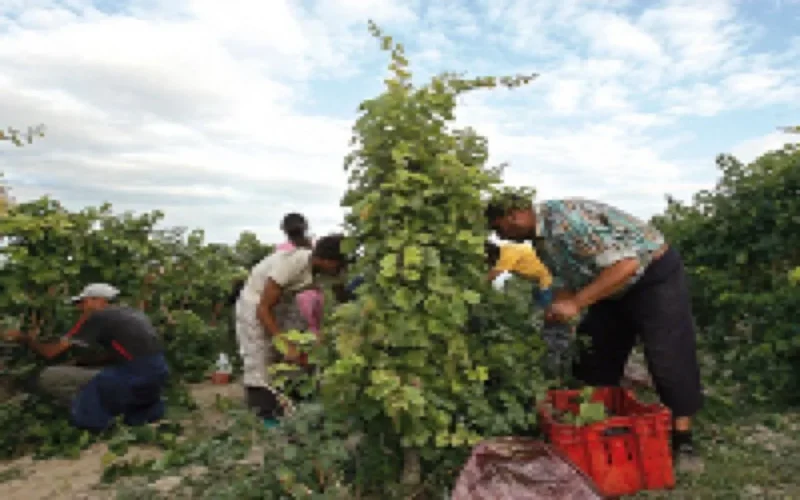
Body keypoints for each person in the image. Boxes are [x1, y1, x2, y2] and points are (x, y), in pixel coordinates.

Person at [486, 196, 704, 471]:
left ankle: (683, 439)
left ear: (514, 215)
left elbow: (627, 265)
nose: (500, 236)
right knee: (593, 356)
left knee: (667, 355)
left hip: (652, 276)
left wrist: (577, 303)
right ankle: (603, 427)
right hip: (609, 284)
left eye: (499, 228)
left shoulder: (568, 221)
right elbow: (563, 278)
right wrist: (560, 307)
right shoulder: (540, 241)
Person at [3, 283, 169, 431]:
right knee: (93, 374)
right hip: (156, 377)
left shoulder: (98, 317)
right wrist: (83, 362)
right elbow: (120, 353)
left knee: (49, 377)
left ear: (99, 300)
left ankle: (97, 415)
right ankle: (129, 410)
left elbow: (50, 353)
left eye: (83, 302)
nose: (80, 308)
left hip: (134, 378)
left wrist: (24, 338)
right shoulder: (134, 314)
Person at [235, 233, 347, 426]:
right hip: (256, 304)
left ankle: (295, 405)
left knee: (302, 349)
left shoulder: (328, 272)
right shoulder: (292, 264)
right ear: (325, 260)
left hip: (284, 302)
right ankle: (266, 419)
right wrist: (284, 344)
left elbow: (342, 299)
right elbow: (263, 309)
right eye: (339, 264)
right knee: (260, 357)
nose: (342, 268)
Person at [484, 241, 571, 378]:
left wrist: (475, 285)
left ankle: (551, 359)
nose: (489, 263)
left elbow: (494, 274)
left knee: (544, 319)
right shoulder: (510, 251)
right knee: (539, 318)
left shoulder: (508, 252)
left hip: (546, 282)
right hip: (540, 283)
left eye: (488, 260)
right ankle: (546, 355)